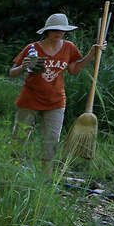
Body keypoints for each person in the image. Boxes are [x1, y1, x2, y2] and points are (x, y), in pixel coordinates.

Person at [9, 13, 105, 170]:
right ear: (47, 30)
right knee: (19, 137)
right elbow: (11, 73)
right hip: (29, 99)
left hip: (56, 101)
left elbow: (74, 70)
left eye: (62, 30)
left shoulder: (69, 47)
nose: (59, 33)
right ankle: (12, 170)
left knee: (52, 140)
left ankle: (46, 178)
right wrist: (23, 67)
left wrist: (91, 54)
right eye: (55, 29)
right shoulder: (32, 48)